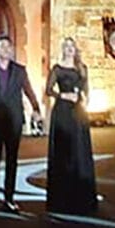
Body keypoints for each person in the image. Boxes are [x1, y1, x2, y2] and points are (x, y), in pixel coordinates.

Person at [0, 33, 41, 212]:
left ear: (11, 50)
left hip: (14, 122)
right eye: (0, 46)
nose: (4, 50)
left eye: (7, 47)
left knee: (12, 161)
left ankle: (10, 198)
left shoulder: (20, 71)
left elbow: (29, 91)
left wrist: (36, 110)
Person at [44, 37, 97, 214]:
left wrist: (83, 97)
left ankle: (81, 198)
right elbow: (49, 90)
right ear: (63, 49)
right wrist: (64, 96)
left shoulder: (82, 69)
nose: (69, 49)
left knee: (79, 152)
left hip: (78, 113)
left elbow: (86, 89)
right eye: (66, 46)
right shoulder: (57, 69)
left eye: (71, 46)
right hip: (62, 112)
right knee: (63, 151)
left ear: (75, 50)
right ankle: (62, 199)